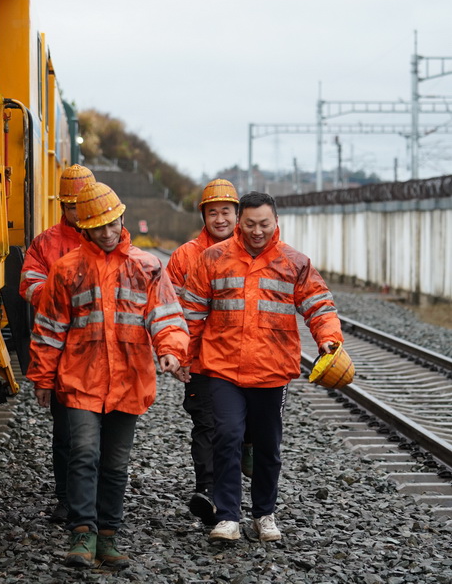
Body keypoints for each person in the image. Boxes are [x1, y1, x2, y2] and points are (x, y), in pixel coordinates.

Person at [27, 182, 188, 569]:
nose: (107, 232)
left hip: (129, 381)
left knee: (116, 462)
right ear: (84, 228)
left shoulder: (146, 267)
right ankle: (83, 532)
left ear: (121, 218)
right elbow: (49, 329)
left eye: (112, 223)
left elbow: (166, 317)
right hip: (80, 379)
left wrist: (170, 351)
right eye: (98, 226)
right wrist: (44, 379)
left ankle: (109, 536)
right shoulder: (67, 270)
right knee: (84, 453)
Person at [180, 191, 342, 543]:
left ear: (276, 222)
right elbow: (191, 314)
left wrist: (328, 339)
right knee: (227, 437)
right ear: (240, 223)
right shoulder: (213, 258)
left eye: (264, 224)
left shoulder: (295, 262)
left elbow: (319, 305)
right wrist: (183, 357)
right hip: (222, 369)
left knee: (267, 446)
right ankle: (227, 518)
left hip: (272, 371)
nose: (257, 231)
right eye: (250, 224)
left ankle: (264, 514)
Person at [165, 178, 246, 527]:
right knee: (206, 426)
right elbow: (168, 307)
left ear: (237, 214)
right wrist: (178, 355)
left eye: (226, 212)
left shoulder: (253, 252)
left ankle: (232, 493)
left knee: (243, 429)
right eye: (213, 213)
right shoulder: (185, 255)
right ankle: (209, 494)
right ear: (204, 216)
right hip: (200, 358)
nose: (220, 219)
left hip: (245, 359)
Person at [19, 163, 95, 523]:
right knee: (66, 433)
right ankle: (67, 499)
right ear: (61, 206)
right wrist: (62, 295)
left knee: (101, 437)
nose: (77, 214)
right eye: (71, 207)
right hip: (63, 354)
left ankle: (95, 500)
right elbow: (28, 284)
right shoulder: (46, 243)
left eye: (83, 205)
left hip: (100, 351)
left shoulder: (108, 237)